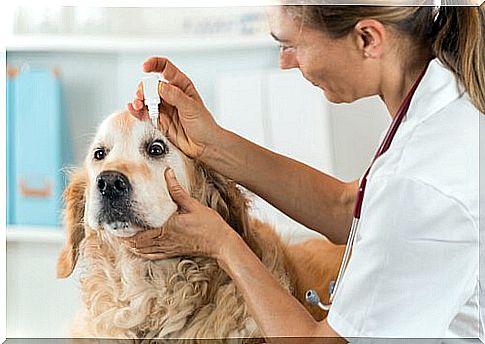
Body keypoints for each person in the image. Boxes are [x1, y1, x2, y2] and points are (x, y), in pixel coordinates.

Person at [126, 3, 484, 340]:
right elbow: (347, 208)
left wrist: (222, 243)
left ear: (367, 39)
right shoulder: (447, 98)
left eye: (292, 45)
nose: (285, 62)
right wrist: (211, 143)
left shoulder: (420, 181)